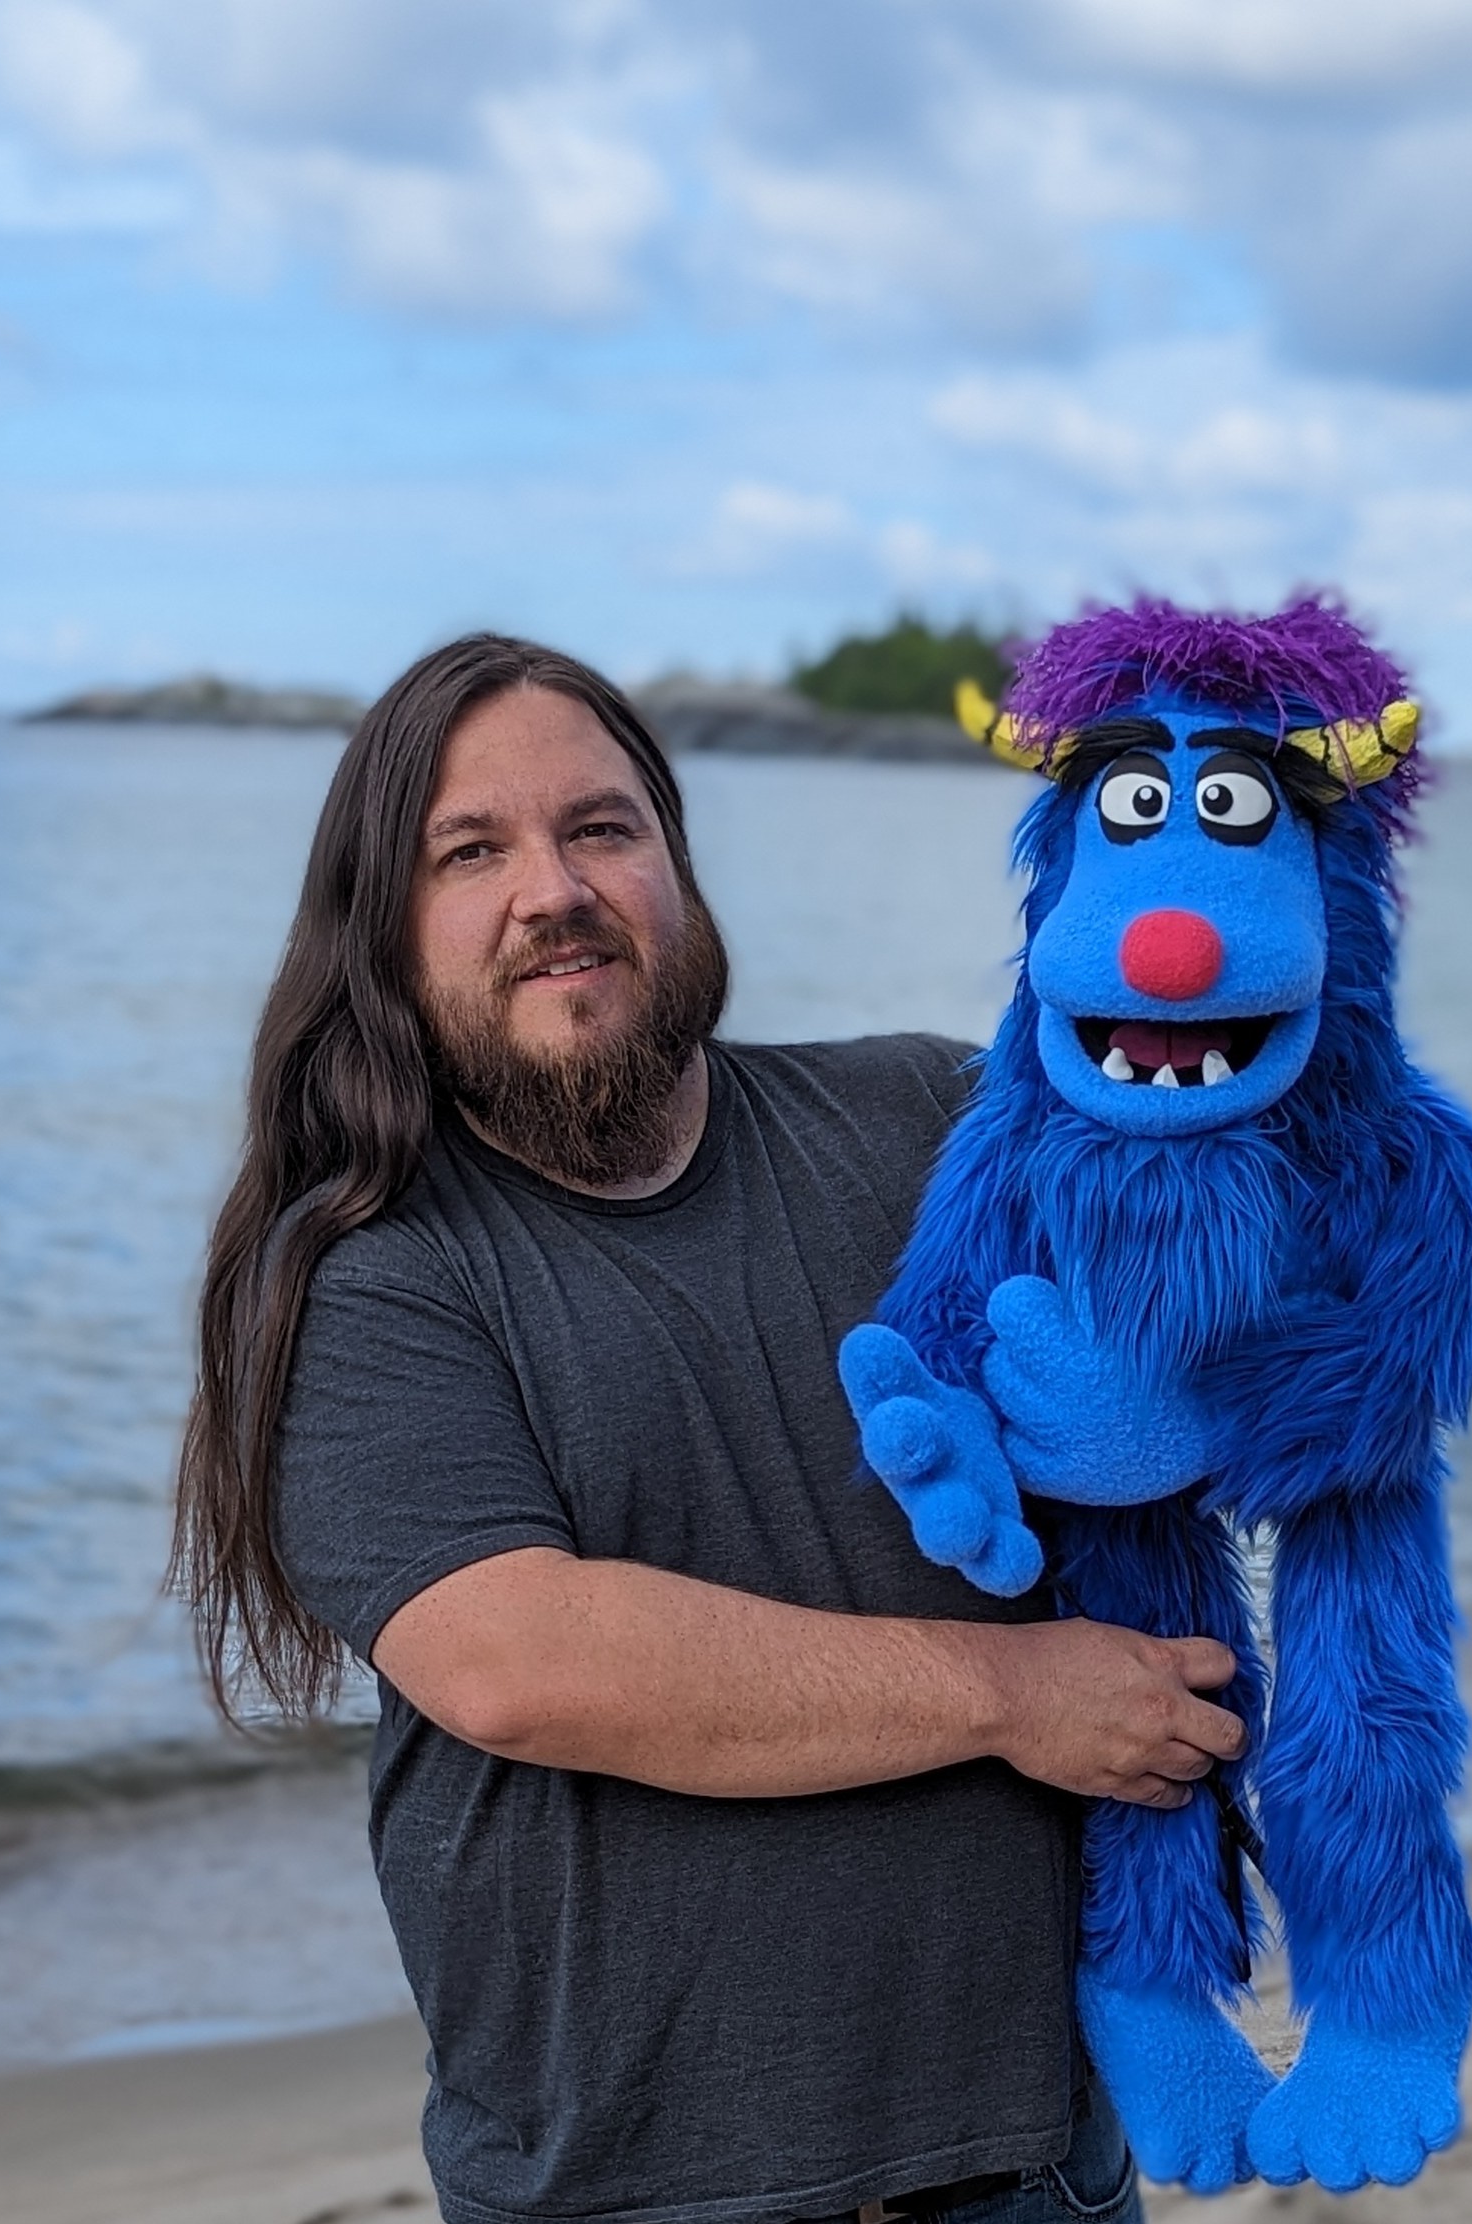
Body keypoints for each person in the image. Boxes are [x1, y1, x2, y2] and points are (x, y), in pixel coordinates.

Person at [171, 633, 1251, 2224]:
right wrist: (1018, 1693)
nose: (554, 889)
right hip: (641, 2190)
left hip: (1031, 2165)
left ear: (677, 865)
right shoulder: (364, 1272)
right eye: (471, 852)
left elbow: (1220, 1309)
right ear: (384, 936)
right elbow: (521, 1664)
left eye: (601, 828)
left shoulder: (926, 1119)